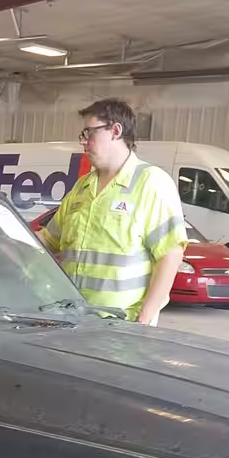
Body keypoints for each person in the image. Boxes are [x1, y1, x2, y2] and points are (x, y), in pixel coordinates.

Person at [36, 99, 187, 325]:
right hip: (71, 320)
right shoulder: (82, 187)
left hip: (120, 326)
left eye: (90, 133)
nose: (84, 142)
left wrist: (144, 320)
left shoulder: (151, 183)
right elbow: (48, 240)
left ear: (115, 131)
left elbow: (170, 256)